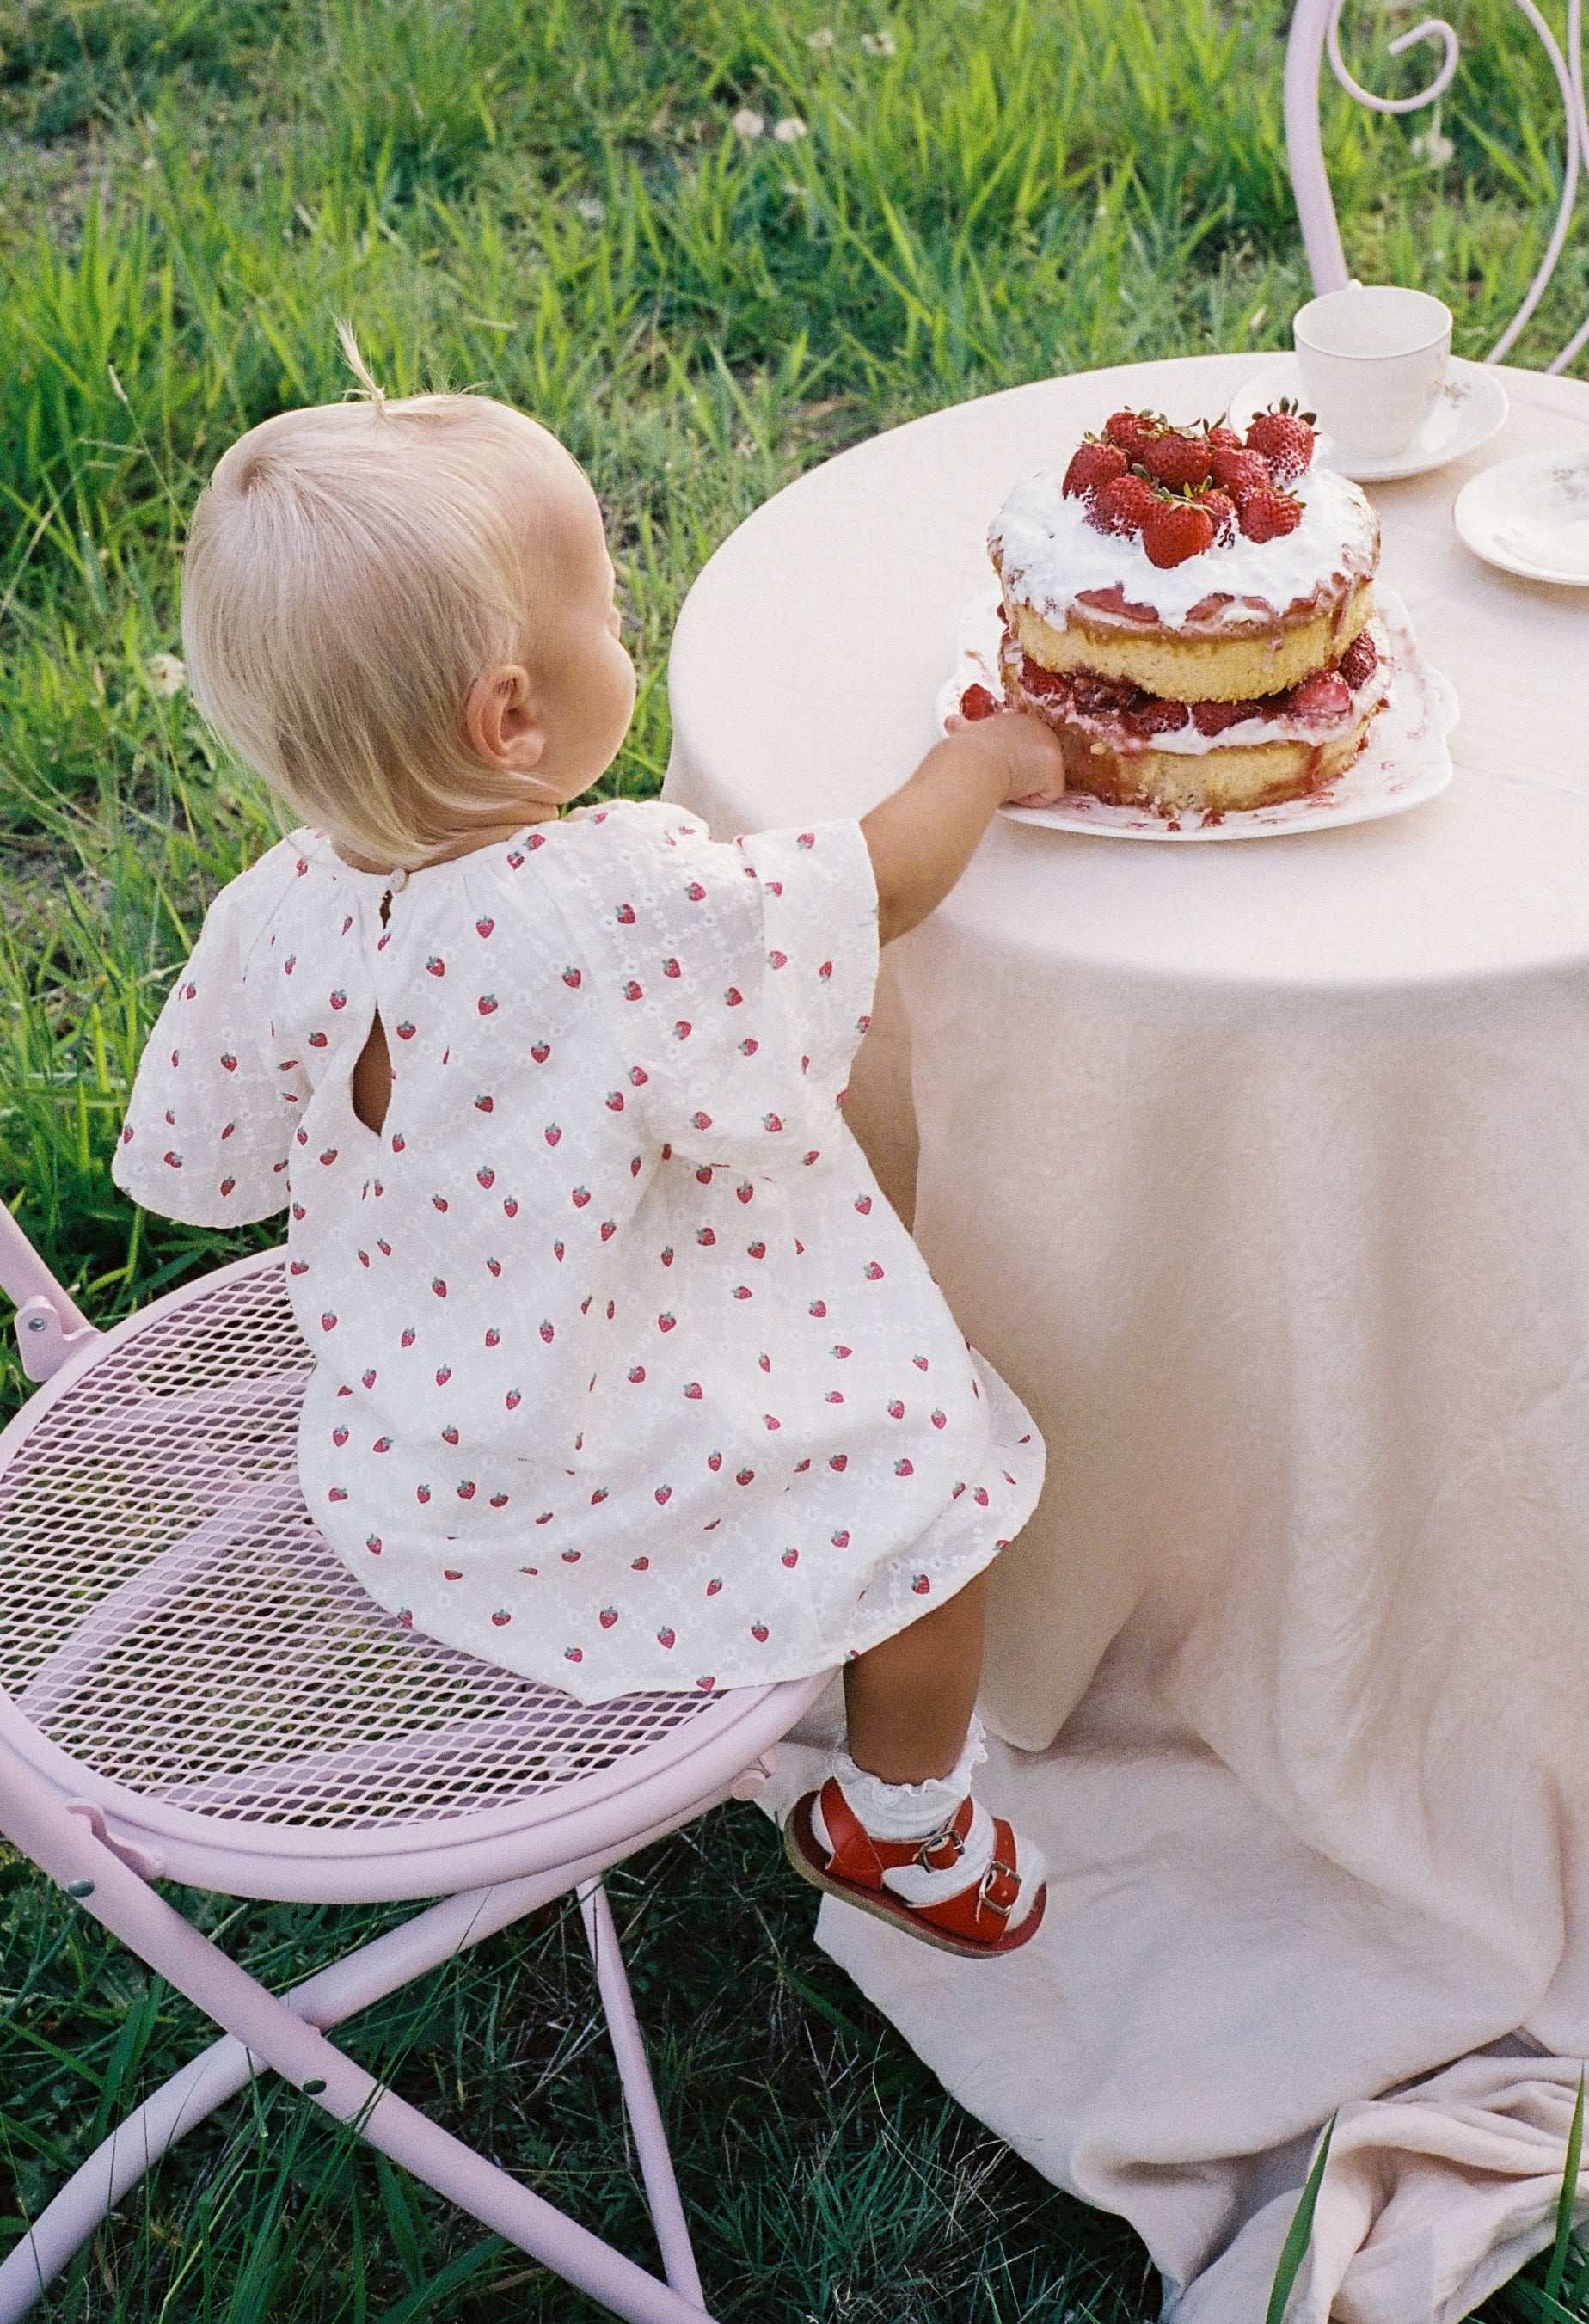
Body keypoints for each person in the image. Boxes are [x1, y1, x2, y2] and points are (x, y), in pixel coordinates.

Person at [113, 340, 1065, 1959]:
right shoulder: (599, 898)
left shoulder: (273, 902)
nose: (626, 622)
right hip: (603, 1447)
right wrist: (980, 763)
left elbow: (194, 1165)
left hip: (408, 1436)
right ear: (511, 717)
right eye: (608, 609)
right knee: (930, 1461)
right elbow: (874, 885)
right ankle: (904, 1820)